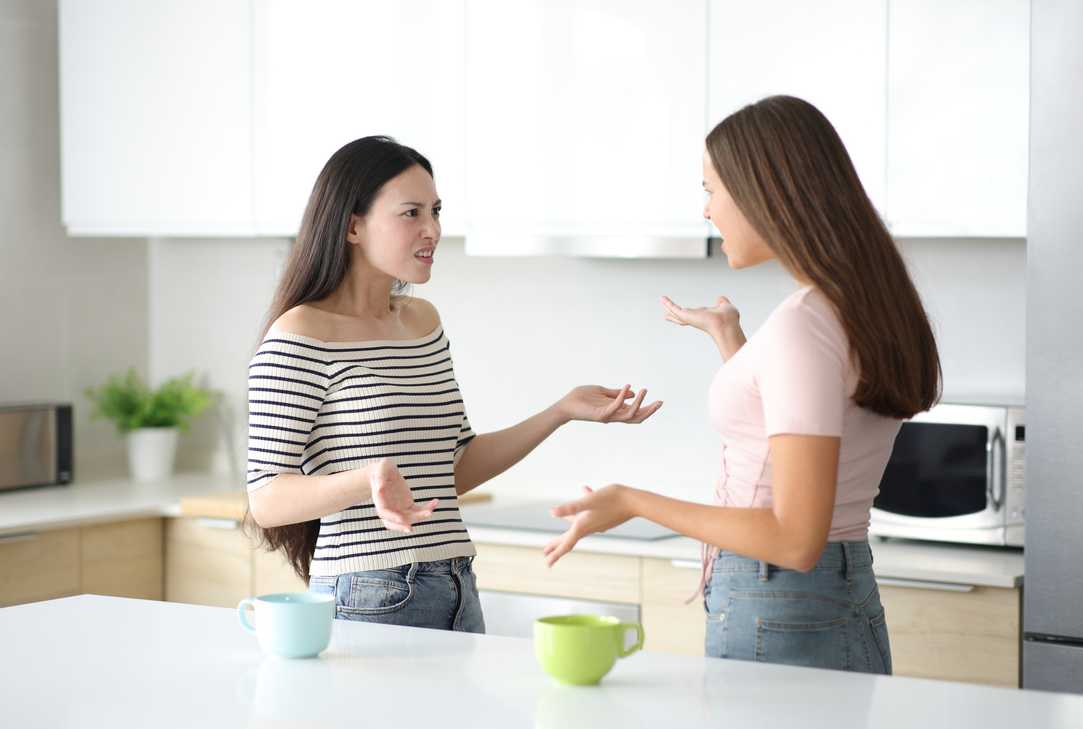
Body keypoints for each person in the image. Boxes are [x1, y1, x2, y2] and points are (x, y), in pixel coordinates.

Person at [544, 96, 941, 673]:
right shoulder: (851, 309)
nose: (706, 211)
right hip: (831, 595)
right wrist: (732, 342)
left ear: (766, 193)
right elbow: (799, 423)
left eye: (710, 190)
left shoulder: (805, 324)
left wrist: (630, 500)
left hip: (781, 599)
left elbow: (792, 537)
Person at [245, 136, 662, 632]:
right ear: (353, 226)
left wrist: (560, 411)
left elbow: (453, 469)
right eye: (412, 213)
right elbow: (265, 499)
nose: (433, 230)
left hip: (457, 583)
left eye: (437, 211)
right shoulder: (300, 333)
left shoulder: (421, 322)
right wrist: (367, 479)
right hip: (369, 590)